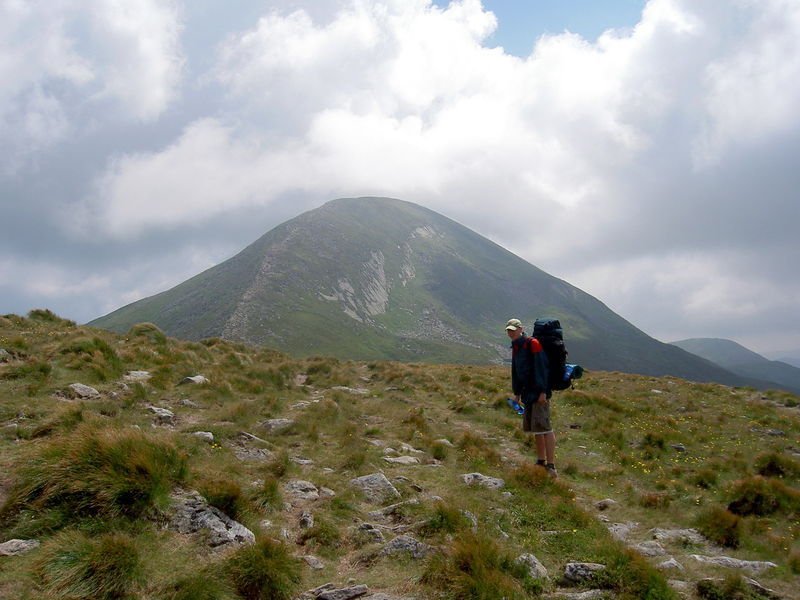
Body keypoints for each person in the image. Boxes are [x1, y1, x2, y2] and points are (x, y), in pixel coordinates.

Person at [506, 318, 557, 478]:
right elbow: (515, 371)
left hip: (539, 392)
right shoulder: (516, 346)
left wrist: (543, 392)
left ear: (521, 329)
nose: (511, 332)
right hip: (528, 393)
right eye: (509, 330)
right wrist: (517, 393)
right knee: (536, 428)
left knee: (545, 427)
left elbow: (542, 367)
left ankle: (551, 466)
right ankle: (541, 461)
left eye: (513, 329)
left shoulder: (532, 343)